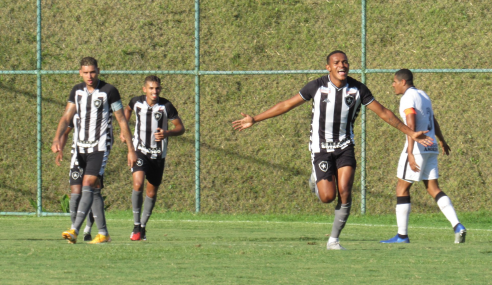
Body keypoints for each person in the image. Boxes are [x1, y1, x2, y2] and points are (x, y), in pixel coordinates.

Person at [233, 51, 434, 250]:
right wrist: (255, 119)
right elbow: (286, 104)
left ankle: (333, 241)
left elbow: (384, 113)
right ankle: (316, 179)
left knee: (345, 190)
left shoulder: (358, 89)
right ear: (328, 67)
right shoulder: (316, 86)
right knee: (328, 197)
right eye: (336, 62)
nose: (342, 65)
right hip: (321, 148)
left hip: (345, 146)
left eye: (345, 62)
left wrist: (411, 132)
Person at [52, 57, 137, 244]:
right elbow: (67, 117)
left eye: (92, 72)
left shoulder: (109, 91)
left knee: (88, 184)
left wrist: (131, 150)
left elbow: (122, 120)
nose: (89, 76)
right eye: (86, 72)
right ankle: (104, 233)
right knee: (87, 190)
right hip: (78, 146)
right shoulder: (76, 91)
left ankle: (74, 230)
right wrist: (57, 139)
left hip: (99, 146)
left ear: (98, 71)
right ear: (80, 73)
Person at [380, 69, 466, 244]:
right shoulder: (424, 95)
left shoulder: (407, 97)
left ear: (403, 82)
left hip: (418, 147)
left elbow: (410, 122)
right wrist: (441, 140)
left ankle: (402, 236)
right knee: (433, 188)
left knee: (402, 188)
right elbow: (432, 120)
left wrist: (410, 152)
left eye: (394, 81)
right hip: (431, 146)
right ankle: (457, 225)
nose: (393, 85)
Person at [120, 75, 185, 241]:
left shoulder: (166, 106)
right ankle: (135, 225)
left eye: (157, 88)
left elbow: (180, 128)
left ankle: (142, 227)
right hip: (140, 150)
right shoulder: (136, 102)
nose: (154, 91)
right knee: (137, 183)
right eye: (151, 88)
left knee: (151, 191)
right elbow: (126, 110)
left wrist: (167, 133)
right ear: (144, 90)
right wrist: (124, 129)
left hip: (157, 155)